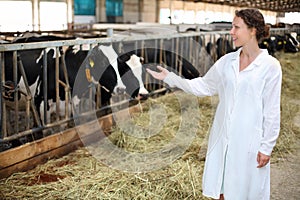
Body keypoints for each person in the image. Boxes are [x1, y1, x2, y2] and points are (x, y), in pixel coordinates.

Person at [146, 8, 282, 200]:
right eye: (232, 27)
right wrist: (171, 78)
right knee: (221, 189)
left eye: (236, 27)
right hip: (223, 136)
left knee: (247, 190)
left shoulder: (270, 66)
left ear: (252, 31)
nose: (231, 32)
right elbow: (203, 86)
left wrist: (267, 146)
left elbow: (272, 110)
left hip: (249, 140)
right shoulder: (227, 61)